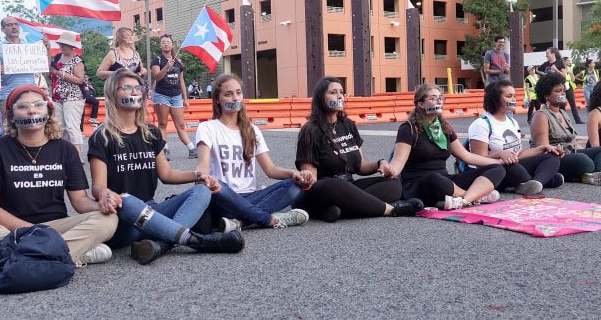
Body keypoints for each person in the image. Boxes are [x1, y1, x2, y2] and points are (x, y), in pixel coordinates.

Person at [0, 85, 118, 284]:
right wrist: (37, 233)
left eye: (38, 104)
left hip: (58, 226)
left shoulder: (65, 149)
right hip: (12, 230)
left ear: (49, 111)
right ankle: (72, 253)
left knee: (108, 219)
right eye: (23, 106)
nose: (32, 110)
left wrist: (104, 201)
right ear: (12, 116)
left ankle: (10, 261)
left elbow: (80, 201)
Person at [88, 69, 244, 265]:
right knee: (127, 200)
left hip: (152, 211)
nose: (135, 92)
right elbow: (98, 186)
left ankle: (162, 245)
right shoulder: (101, 137)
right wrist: (104, 193)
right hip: (122, 219)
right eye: (127, 88)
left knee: (202, 191)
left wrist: (199, 175)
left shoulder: (151, 132)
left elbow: (167, 174)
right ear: (112, 93)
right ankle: (197, 241)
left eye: (139, 88)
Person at [294, 77, 424, 222]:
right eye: (333, 92)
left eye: (341, 92)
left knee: (393, 185)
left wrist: (380, 164)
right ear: (320, 98)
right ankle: (391, 210)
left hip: (350, 186)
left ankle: (340, 210)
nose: (339, 96)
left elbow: (360, 166)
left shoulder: (348, 125)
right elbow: (311, 180)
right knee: (335, 185)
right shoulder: (310, 130)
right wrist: (308, 179)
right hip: (326, 187)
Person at [195, 74, 313, 229]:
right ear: (217, 99)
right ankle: (270, 220)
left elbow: (270, 170)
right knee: (220, 186)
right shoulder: (208, 128)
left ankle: (240, 222)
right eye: (228, 94)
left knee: (293, 186)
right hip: (222, 195)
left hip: (250, 195)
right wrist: (203, 177)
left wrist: (295, 174)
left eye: (238, 93)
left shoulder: (252, 131)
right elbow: (203, 165)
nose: (235, 98)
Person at [384, 84, 506, 210]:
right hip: (419, 185)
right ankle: (473, 197)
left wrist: (497, 162)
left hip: (446, 181)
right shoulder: (408, 128)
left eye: (441, 98)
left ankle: (464, 200)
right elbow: (397, 163)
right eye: (433, 98)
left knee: (497, 169)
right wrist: (388, 169)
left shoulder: (443, 127)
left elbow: (466, 156)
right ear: (421, 104)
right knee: (434, 178)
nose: (439, 101)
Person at [467, 80, 563, 195]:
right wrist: (500, 155)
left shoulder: (512, 121)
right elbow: (477, 160)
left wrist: (544, 148)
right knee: (512, 167)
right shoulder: (481, 124)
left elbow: (520, 154)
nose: (514, 99)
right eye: (509, 96)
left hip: (515, 165)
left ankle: (536, 183)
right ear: (496, 98)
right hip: (494, 169)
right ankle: (542, 180)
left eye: (514, 96)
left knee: (552, 157)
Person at [530, 72, 601, 185]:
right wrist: (580, 155)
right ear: (546, 95)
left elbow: (573, 141)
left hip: (572, 152)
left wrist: (587, 152)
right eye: (558, 91)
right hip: (556, 158)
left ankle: (597, 174)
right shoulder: (541, 115)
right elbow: (543, 148)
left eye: (563, 90)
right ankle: (600, 169)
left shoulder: (563, 113)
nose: (563, 93)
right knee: (583, 160)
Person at [150, 34, 197, 160]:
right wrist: (167, 66)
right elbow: (157, 77)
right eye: (163, 42)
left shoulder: (178, 61)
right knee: (163, 124)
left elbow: (181, 81)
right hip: (161, 95)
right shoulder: (157, 60)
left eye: (168, 42)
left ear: (172, 45)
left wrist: (185, 99)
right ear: (160, 46)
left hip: (176, 96)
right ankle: (165, 149)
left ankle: (192, 148)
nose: (166, 44)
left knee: (180, 125)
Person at [0, 16, 50, 111]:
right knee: (8, 125)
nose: (14, 27)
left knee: (31, 125)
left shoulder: (30, 47)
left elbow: (46, 67)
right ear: (2, 29)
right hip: (7, 95)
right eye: (9, 25)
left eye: (16, 24)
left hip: (30, 94)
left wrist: (48, 49)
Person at [48, 31, 85, 159]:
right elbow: (50, 75)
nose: (62, 47)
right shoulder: (57, 57)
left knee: (72, 125)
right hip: (57, 96)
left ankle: (77, 155)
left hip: (73, 96)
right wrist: (51, 71)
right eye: (61, 45)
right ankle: (63, 153)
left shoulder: (77, 60)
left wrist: (59, 73)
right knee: (59, 126)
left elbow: (79, 80)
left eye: (64, 45)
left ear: (71, 46)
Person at [562, 57, 585, 123]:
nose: (569, 62)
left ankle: (577, 119)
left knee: (573, 103)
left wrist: (570, 73)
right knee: (562, 105)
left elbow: (573, 79)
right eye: (568, 60)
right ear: (564, 61)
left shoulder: (569, 69)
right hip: (563, 87)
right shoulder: (561, 69)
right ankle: (564, 120)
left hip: (569, 86)